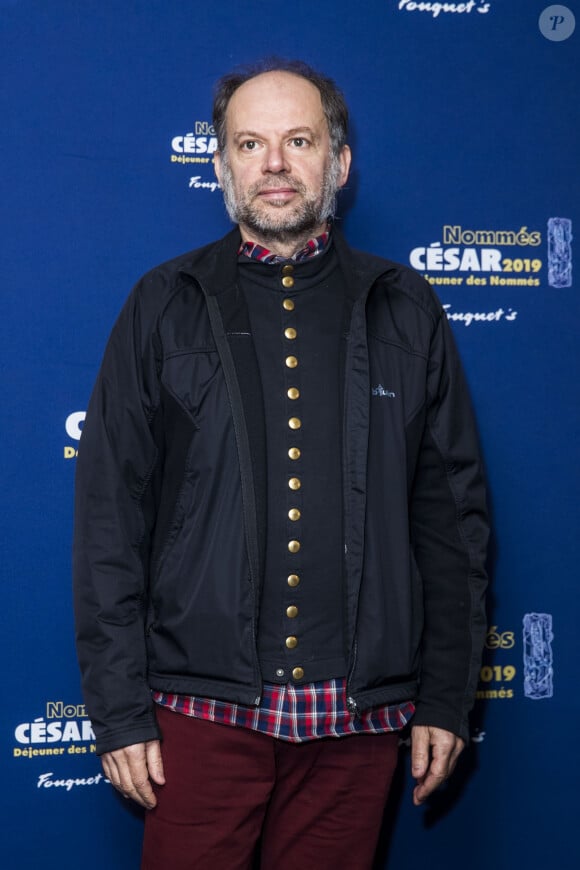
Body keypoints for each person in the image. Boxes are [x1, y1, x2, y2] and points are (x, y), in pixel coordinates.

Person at [73, 58, 488, 869]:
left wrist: (446, 694)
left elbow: (450, 522)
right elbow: (108, 524)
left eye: (298, 140)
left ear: (337, 162)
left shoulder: (405, 306)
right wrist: (119, 711)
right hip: (198, 716)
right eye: (250, 142)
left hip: (359, 723)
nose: (273, 163)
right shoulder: (163, 304)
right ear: (222, 165)